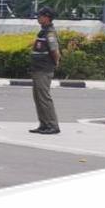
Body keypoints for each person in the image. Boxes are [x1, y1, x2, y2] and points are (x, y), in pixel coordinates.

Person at [29, 7, 61, 135]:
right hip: (38, 69)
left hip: (44, 69)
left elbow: (55, 51)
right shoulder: (43, 32)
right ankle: (43, 124)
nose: (38, 17)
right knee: (38, 97)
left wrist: (55, 63)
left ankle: (52, 125)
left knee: (44, 98)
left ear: (47, 17)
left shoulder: (50, 33)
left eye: (40, 16)